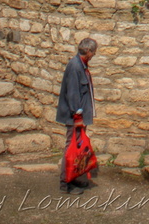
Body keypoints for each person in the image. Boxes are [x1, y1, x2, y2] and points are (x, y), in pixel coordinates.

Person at [56, 37, 98, 192]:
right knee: (71, 149)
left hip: (78, 118)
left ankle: (73, 178)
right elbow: (73, 93)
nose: (94, 55)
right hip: (75, 118)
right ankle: (65, 183)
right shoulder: (75, 67)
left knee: (78, 150)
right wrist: (78, 117)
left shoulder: (81, 65)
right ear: (88, 51)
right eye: (93, 52)